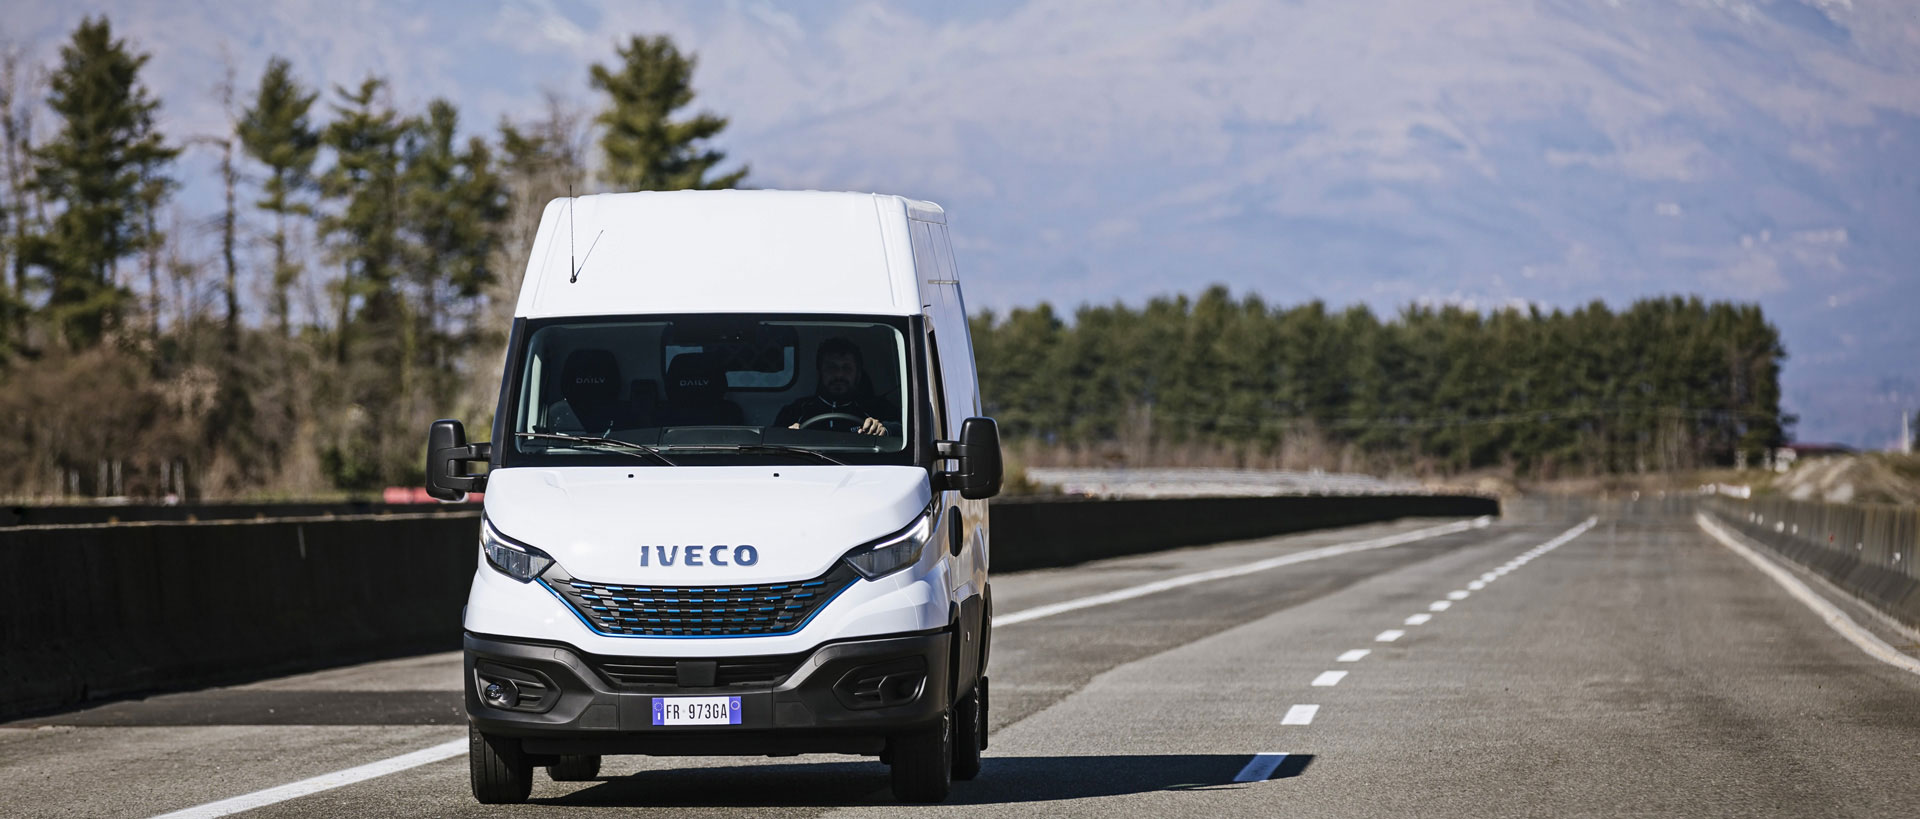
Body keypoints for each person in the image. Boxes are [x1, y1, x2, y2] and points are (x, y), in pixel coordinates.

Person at [772, 337, 890, 435]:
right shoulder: (794, 411)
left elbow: (904, 431)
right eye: (831, 367)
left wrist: (884, 429)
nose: (839, 374)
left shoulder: (878, 410)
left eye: (847, 368)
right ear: (820, 372)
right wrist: (787, 436)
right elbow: (774, 445)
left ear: (858, 373)